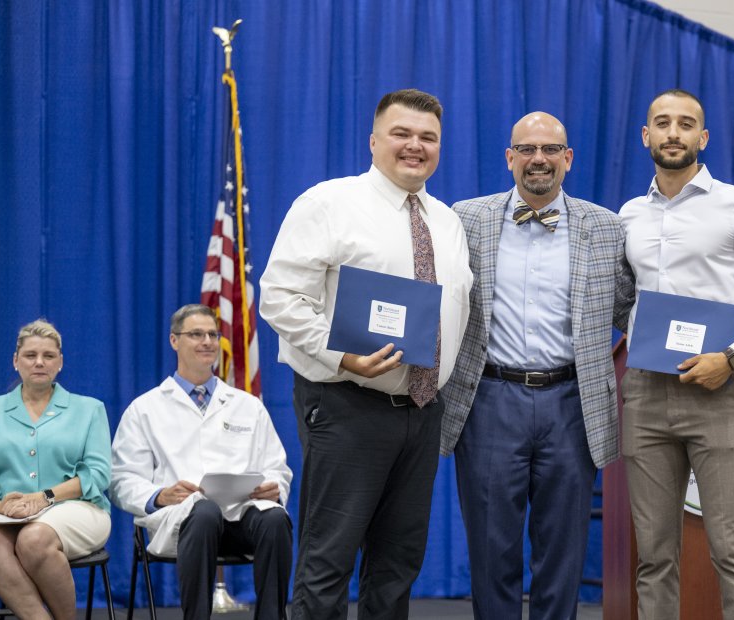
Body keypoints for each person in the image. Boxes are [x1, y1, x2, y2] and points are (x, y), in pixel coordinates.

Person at [259, 88, 473, 620]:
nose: (414, 146)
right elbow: (280, 297)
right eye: (401, 134)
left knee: (398, 563)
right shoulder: (328, 203)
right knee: (327, 560)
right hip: (346, 405)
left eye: (428, 137)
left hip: (423, 414)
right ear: (374, 140)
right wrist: (341, 357)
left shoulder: (447, 221)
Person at [441, 112, 634, 619]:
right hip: (489, 400)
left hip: (573, 403)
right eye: (527, 149)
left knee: (562, 550)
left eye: (550, 150)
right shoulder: (465, 218)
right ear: (509, 158)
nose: (538, 160)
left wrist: (698, 330)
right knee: (490, 547)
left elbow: (630, 309)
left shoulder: (607, 227)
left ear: (568, 159)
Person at [618, 89, 734, 620]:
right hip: (646, 392)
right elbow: (624, 299)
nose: (673, 132)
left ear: (702, 138)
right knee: (653, 556)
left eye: (685, 124)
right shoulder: (628, 215)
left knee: (732, 549)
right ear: (645, 135)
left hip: (717, 391)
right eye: (662, 123)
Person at [109, 304, 292, 620]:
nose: (207, 341)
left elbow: (277, 466)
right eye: (196, 334)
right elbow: (122, 479)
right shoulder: (144, 410)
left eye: (212, 334)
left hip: (241, 520)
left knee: (275, 519)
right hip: (180, 523)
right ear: (174, 340)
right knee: (203, 511)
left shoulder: (248, 406)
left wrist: (273, 488)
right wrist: (158, 496)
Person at [0, 319, 111, 620]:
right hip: (3, 513)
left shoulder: (89, 409)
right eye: (30, 355)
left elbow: (98, 475)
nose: (39, 362)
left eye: (48, 356)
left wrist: (44, 497)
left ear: (60, 362)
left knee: (33, 540)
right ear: (16, 361)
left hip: (77, 509)